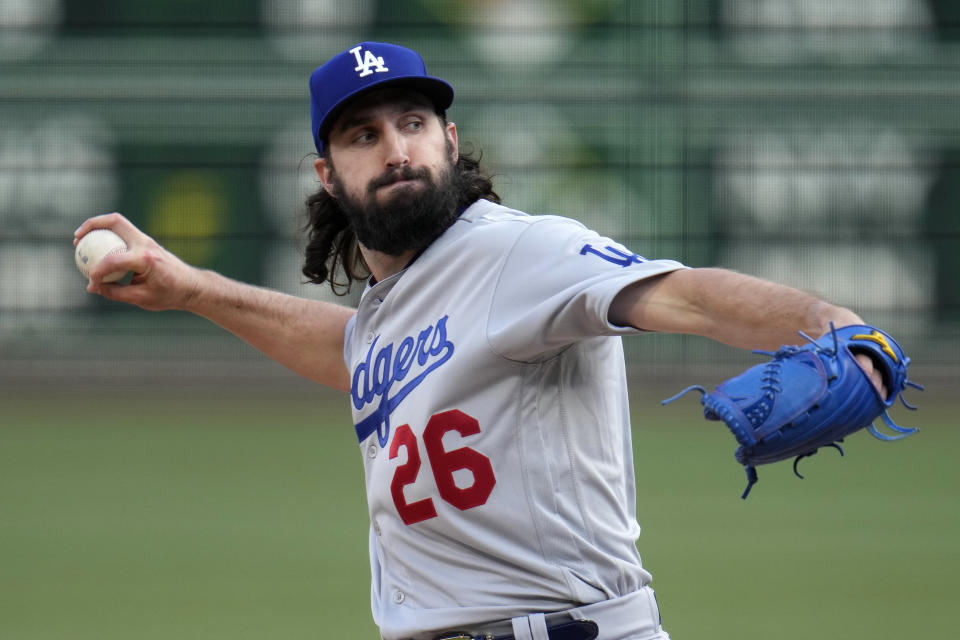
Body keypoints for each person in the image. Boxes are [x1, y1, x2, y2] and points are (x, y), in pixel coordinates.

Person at [74, 42, 885, 640]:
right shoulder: (396, 308)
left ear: (450, 141)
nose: (396, 148)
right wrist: (191, 289)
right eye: (363, 135)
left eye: (414, 122)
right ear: (326, 174)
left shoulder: (517, 253)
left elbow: (691, 295)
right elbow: (350, 353)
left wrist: (838, 329)